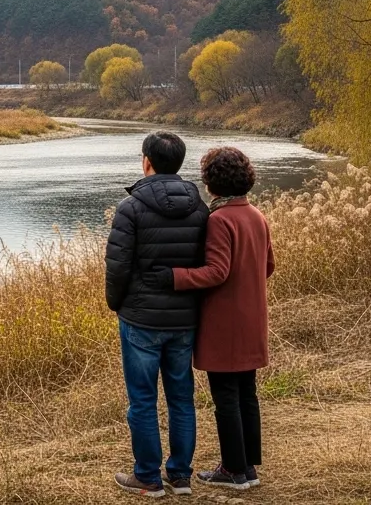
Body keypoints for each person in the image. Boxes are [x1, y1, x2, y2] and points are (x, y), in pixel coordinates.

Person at [146, 146, 273, 491]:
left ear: (212, 183)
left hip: (226, 323)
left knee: (226, 397)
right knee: (246, 394)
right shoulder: (256, 215)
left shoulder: (219, 219)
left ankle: (233, 471)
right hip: (253, 319)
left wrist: (174, 276)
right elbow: (269, 266)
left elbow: (216, 271)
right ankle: (247, 468)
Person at [106, 131, 210, 498]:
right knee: (182, 398)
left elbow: (117, 267)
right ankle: (180, 476)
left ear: (147, 161)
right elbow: (203, 261)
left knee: (142, 400)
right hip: (184, 319)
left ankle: (148, 478)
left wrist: (116, 303)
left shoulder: (130, 208)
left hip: (141, 320)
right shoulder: (199, 207)